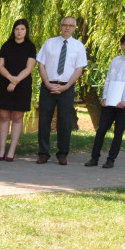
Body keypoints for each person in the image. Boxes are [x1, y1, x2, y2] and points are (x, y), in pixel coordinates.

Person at [86, 33, 125, 169]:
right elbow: (109, 79)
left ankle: (111, 159)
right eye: (124, 44)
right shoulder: (115, 60)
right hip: (111, 101)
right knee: (101, 130)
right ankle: (94, 158)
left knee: (118, 132)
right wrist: (105, 97)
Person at [36, 15, 87, 165]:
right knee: (44, 120)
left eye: (70, 26)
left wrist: (66, 86)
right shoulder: (49, 43)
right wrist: (47, 83)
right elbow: (41, 65)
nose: (67, 28)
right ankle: (43, 153)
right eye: (64, 25)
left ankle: (63, 153)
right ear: (60, 26)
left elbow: (79, 69)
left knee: (65, 121)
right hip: (48, 86)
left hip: (67, 87)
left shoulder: (79, 46)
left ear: (74, 28)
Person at [0, 18, 37, 161]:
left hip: (22, 85)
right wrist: (10, 78)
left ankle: (11, 151)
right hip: (5, 83)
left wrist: (16, 81)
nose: (19, 31)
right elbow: (1, 65)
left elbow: (29, 68)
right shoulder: (6, 45)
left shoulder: (30, 47)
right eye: (17, 29)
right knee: (4, 117)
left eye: (22, 29)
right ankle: (2, 150)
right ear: (14, 30)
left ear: (26, 31)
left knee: (17, 118)